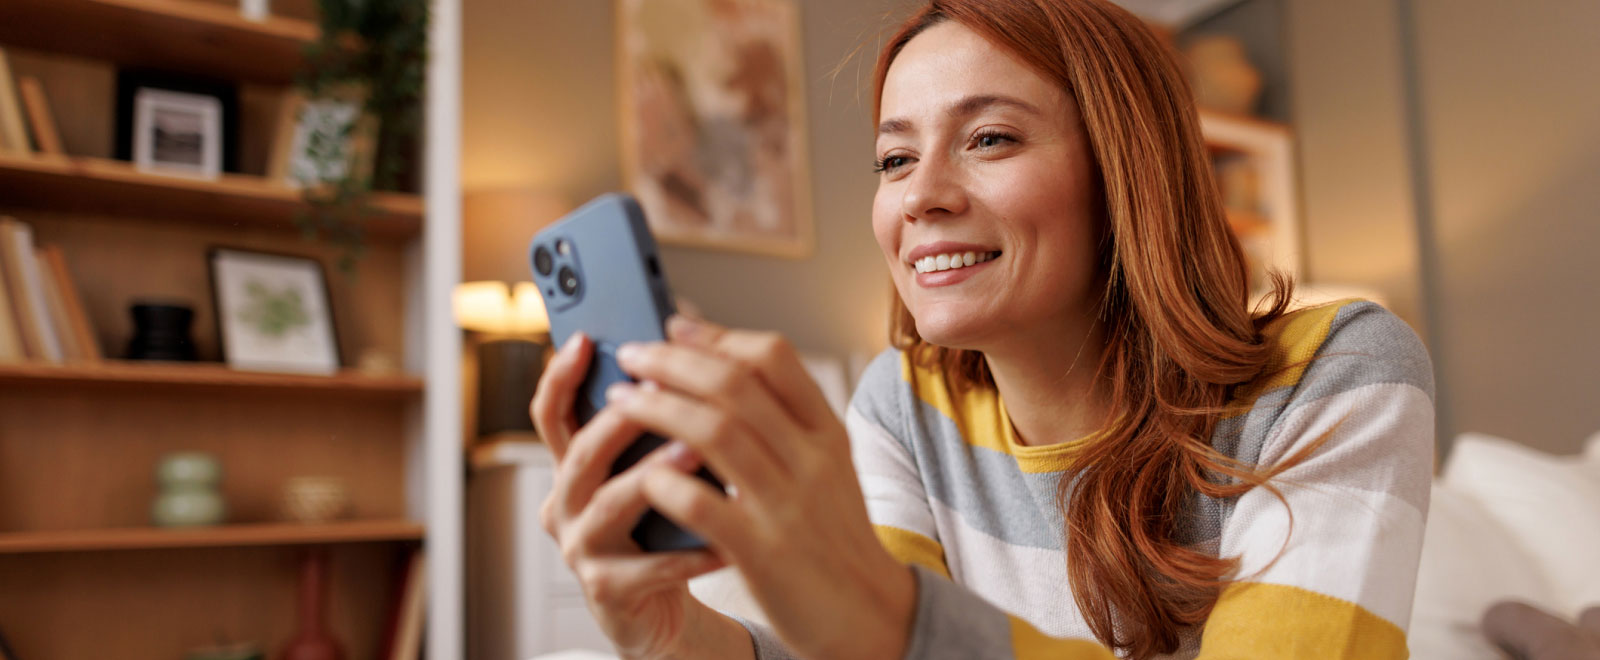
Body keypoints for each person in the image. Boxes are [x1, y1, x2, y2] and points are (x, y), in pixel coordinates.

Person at [530, 0, 1435, 658]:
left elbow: (887, 635)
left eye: (991, 138)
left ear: (1125, 174)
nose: (920, 195)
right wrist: (678, 636)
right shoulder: (905, 401)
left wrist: (882, 613)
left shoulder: (1343, 369)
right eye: (894, 157)